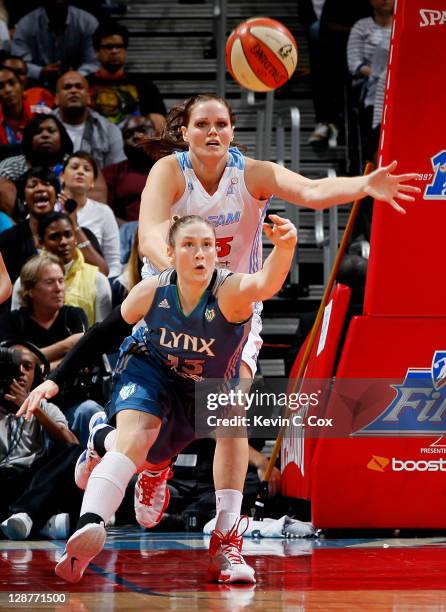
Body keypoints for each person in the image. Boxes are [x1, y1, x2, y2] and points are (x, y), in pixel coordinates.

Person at [19, 212, 298, 584]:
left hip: (202, 387)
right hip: (149, 369)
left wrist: (285, 247)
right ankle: (88, 528)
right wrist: (54, 380)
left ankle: (110, 444)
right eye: (189, 245)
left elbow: (267, 281)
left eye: (208, 246)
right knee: (137, 440)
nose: (200, 254)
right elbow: (103, 334)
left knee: (221, 424)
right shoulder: (152, 291)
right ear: (170, 253)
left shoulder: (230, 292)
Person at [0, 342, 80, 540]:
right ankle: (41, 524)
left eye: (27, 367)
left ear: (36, 375)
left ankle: (26, 516)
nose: (21, 373)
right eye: (15, 367)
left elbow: (72, 444)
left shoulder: (44, 407)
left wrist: (33, 409)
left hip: (31, 483)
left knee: (75, 455)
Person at [0, 166, 107, 283]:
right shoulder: (9, 239)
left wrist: (74, 227)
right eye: (32, 185)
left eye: (46, 184)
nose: (40, 188)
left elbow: (102, 272)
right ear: (23, 198)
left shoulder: (81, 233)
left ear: (57, 195)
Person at [11, 211, 112, 326]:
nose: (63, 242)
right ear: (40, 242)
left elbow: (104, 332)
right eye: (54, 237)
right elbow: (16, 328)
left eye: (68, 235)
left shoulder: (97, 280)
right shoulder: (25, 281)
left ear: (75, 238)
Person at [88, 20, 166, 131]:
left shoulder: (144, 85)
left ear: (125, 50)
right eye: (108, 47)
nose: (114, 51)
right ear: (97, 51)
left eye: (119, 46)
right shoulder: (85, 84)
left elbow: (160, 122)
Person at [60, 151, 121, 278]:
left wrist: (106, 285)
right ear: (62, 176)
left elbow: (114, 263)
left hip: (95, 281)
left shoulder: (104, 212)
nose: (80, 172)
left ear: (92, 182)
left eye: (87, 169)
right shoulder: (48, 208)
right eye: (75, 167)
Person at [11, 0, 99, 88]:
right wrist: (40, 72)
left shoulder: (87, 22)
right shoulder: (25, 25)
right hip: (37, 85)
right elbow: (17, 65)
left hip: (79, 85)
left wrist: (73, 77)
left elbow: (93, 62)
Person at [347, 0, 394, 161]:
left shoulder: (403, 24)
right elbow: (354, 64)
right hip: (370, 89)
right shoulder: (361, 27)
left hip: (400, 86)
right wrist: (380, 75)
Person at [54, 70, 126, 168]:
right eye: (67, 87)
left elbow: (115, 173)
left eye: (79, 87)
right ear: (56, 98)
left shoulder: (109, 130)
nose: (73, 91)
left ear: (88, 98)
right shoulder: (40, 128)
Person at [103, 115, 156, 224]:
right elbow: (104, 215)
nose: (136, 136)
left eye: (142, 130)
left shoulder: (177, 165)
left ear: (157, 133)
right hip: (128, 234)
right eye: (128, 135)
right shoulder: (111, 173)